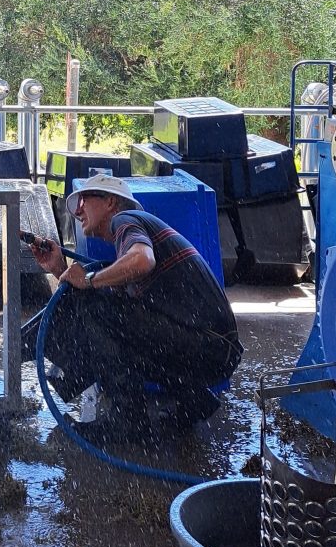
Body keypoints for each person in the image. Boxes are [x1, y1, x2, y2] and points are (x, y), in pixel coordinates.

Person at [28, 173, 242, 440]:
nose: (78, 209)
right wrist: (59, 269)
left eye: (84, 199)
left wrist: (90, 280)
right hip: (214, 353)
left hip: (208, 344)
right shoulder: (127, 244)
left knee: (95, 305)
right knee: (111, 319)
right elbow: (123, 327)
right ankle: (194, 401)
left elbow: (142, 260)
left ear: (110, 202)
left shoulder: (126, 220)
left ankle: (127, 420)